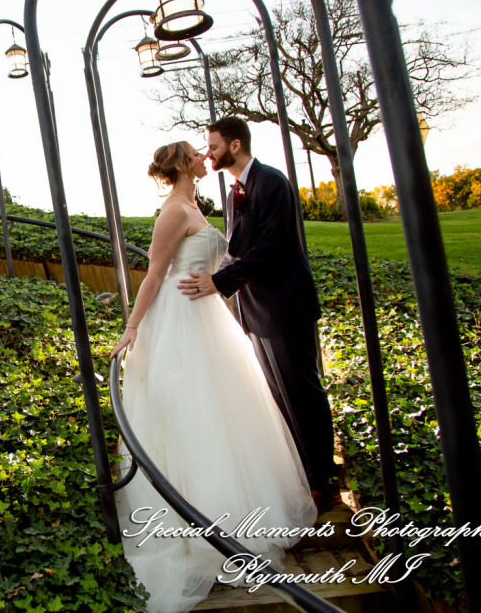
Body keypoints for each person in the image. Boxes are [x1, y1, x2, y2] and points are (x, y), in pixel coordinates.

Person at [111, 140, 316, 613]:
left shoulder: (192, 206)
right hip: (180, 319)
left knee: (226, 413)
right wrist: (133, 326)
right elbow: (154, 273)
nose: (205, 156)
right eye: (196, 152)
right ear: (183, 164)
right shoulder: (172, 212)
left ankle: (236, 517)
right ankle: (197, 526)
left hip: (207, 316)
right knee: (194, 413)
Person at [177, 116, 340, 509]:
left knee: (302, 393)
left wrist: (219, 282)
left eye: (213, 146)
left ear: (234, 145)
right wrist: (214, 280)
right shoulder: (238, 191)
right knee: (279, 396)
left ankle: (324, 480)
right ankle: (301, 476)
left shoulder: (271, 182)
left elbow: (271, 247)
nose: (208, 154)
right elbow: (238, 249)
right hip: (257, 312)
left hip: (286, 307)